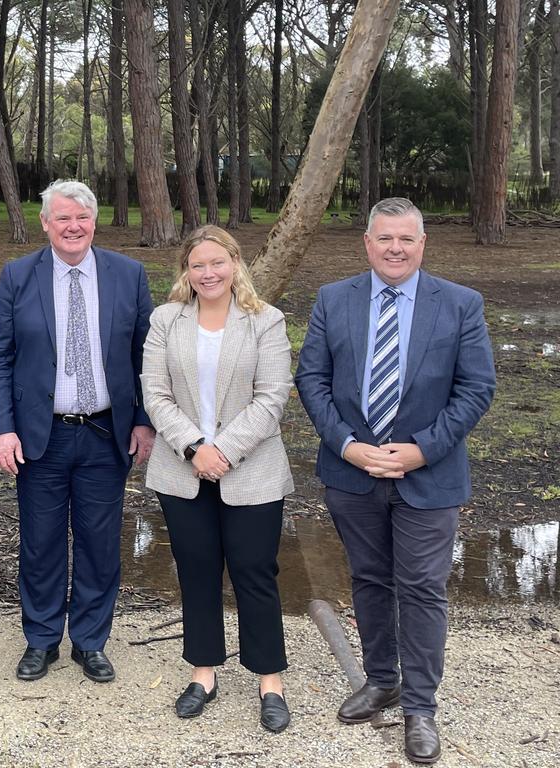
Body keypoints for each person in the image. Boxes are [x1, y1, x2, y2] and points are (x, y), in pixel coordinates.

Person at [295, 198, 496, 764]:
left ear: (422, 243)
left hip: (429, 477)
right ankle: (381, 680)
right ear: (367, 243)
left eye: (406, 239)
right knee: (369, 579)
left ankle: (420, 706)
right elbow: (311, 378)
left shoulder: (459, 304)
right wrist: (349, 447)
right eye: (384, 238)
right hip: (351, 473)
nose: (395, 248)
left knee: (423, 589)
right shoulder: (335, 300)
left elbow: (476, 388)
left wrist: (421, 451)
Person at [0, 179, 155, 683]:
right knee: (41, 543)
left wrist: (144, 421)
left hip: (107, 433)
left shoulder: (128, 274)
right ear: (45, 224)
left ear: (94, 222)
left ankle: (90, 641)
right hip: (42, 436)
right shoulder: (18, 275)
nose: (73, 226)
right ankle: (40, 640)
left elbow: (146, 356)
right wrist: (1, 429)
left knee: (100, 544)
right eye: (62, 218)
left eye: (81, 217)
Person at [140, 225, 294, 729]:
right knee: (197, 570)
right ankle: (202, 672)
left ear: (235, 264)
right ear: (186, 270)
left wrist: (220, 451)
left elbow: (272, 398)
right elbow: (155, 394)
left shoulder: (265, 322)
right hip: (182, 471)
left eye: (217, 263)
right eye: (197, 264)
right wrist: (193, 448)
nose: (208, 273)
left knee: (255, 572)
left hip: (251, 470)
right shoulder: (165, 320)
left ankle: (269, 680)